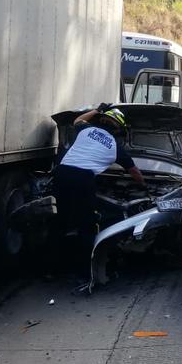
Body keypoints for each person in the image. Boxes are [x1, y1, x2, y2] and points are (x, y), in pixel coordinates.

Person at [54, 103, 145, 278]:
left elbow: (78, 120)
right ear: (118, 130)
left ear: (102, 120)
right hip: (83, 180)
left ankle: (52, 269)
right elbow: (134, 171)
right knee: (86, 225)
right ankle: (84, 272)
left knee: (59, 219)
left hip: (62, 174)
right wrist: (143, 186)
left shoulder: (86, 130)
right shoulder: (115, 146)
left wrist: (97, 109)